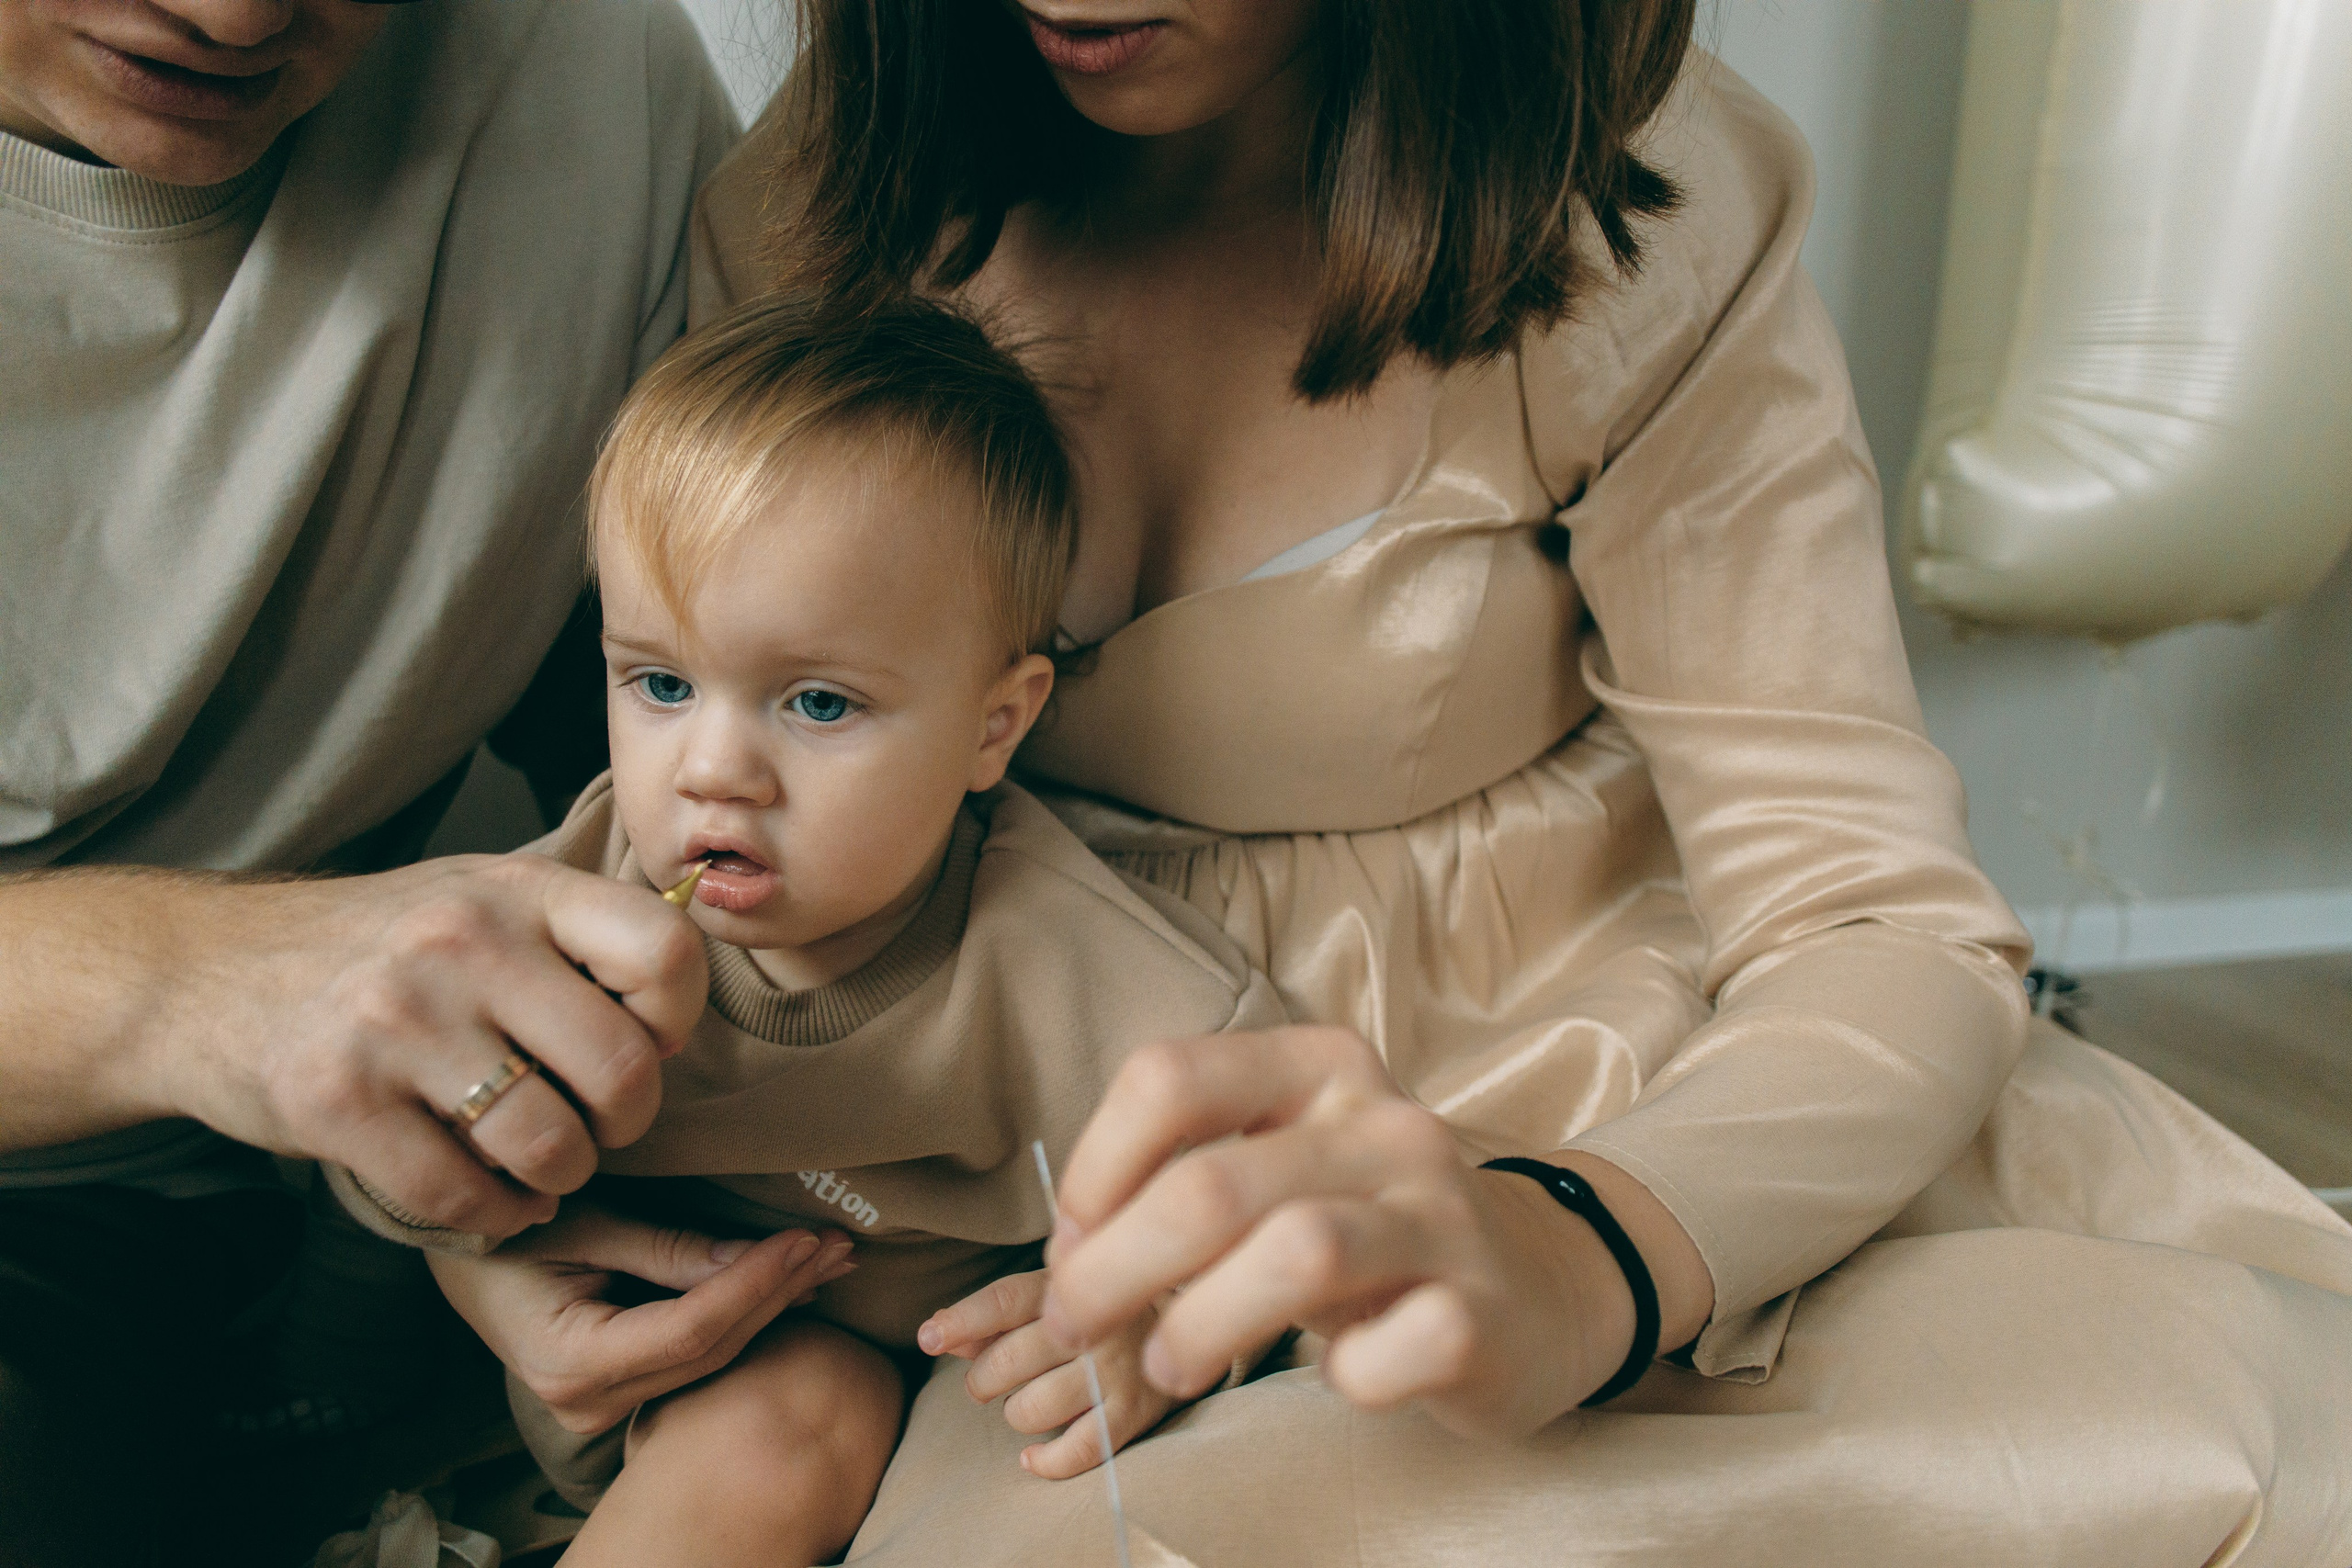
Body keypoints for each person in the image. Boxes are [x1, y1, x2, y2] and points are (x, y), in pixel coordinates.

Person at [625, 0, 2352, 1561]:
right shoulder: (809, 207)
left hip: (1627, 1104)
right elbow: (687, 861)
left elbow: (1868, 909)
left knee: (2196, 1449)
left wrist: (1575, 1253)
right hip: (1043, 1227)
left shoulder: (1631, 193)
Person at [0, 3, 837, 1562]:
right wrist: (198, 986)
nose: (239, 14)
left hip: (321, 1224)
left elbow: (698, 749)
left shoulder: (590, 81)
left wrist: (543, 1180)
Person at [334, 294, 1287, 1565]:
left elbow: (1279, 1173)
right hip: (623, 1371)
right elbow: (370, 1106)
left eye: (820, 704)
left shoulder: (1061, 963)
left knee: (806, 1408)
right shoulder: (578, 887)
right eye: (661, 684)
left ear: (993, 727)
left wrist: (1158, 1316)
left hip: (907, 1392)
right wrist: (459, 1219)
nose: (712, 770)